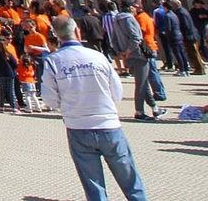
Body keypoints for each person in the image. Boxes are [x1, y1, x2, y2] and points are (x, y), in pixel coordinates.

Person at [40, 15, 147, 201]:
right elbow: (117, 91)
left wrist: (68, 107)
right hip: (109, 125)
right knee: (129, 179)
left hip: (78, 127)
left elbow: (49, 98)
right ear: (77, 31)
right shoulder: (98, 57)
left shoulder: (52, 61)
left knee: (93, 185)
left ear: (56, 36)